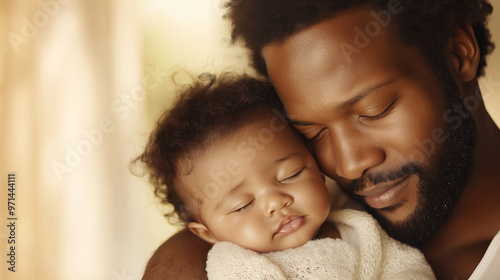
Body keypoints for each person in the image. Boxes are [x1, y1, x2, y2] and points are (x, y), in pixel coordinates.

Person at [142, 1, 500, 279]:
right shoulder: (316, 205)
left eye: (375, 110)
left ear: (459, 52)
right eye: (312, 133)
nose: (346, 164)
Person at [137, 73, 435, 279]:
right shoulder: (234, 266)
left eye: (290, 174)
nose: (275, 203)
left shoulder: (362, 232)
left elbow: (407, 268)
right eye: (242, 205)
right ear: (208, 234)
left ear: (317, 169)